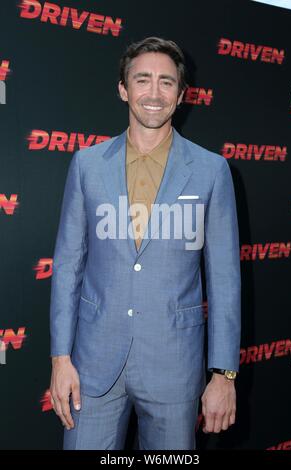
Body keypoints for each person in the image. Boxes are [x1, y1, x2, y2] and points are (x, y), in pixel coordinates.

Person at [49, 36, 241, 450]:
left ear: (181, 94)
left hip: (175, 368)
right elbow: (68, 267)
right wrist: (59, 359)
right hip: (91, 368)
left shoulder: (212, 171)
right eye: (142, 80)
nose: (154, 93)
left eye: (166, 82)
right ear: (123, 89)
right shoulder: (86, 165)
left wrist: (223, 375)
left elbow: (225, 280)